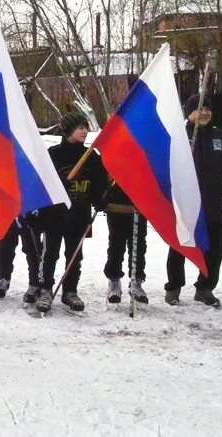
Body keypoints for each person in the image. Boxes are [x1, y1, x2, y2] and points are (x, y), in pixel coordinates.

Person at [165, 94, 222, 307]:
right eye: (200, 109)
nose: (205, 112)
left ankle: (205, 288)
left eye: (207, 108)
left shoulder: (221, 137)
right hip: (185, 204)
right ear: (189, 112)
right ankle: (173, 287)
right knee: (180, 246)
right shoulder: (178, 137)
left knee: (214, 250)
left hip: (213, 203)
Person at [36, 111, 107, 313]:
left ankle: (70, 290)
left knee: (75, 255)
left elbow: (99, 183)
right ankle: (45, 290)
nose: (85, 131)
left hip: (79, 214)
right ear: (68, 130)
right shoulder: (54, 154)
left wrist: (100, 198)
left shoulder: (90, 156)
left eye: (86, 127)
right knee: (50, 254)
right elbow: (42, 182)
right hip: (54, 216)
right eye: (80, 127)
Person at [104, 182, 148, 304]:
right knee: (116, 245)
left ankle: (136, 281)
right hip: (116, 202)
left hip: (139, 202)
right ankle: (114, 281)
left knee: (139, 246)